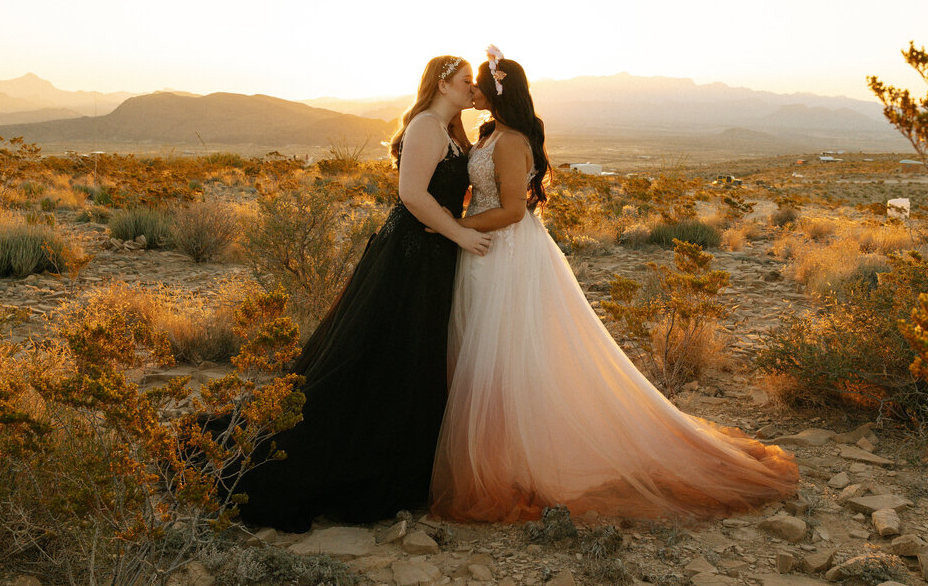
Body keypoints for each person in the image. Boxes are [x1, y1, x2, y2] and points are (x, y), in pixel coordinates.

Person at [429, 47, 798, 523]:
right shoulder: (488, 134)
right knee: (490, 353)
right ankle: (502, 449)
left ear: (497, 90)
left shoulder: (512, 140)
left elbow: (515, 211)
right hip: (484, 252)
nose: (473, 91)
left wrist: (455, 225)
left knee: (514, 353)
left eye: (478, 84)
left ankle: (529, 458)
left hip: (506, 253)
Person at [233, 55, 491, 532]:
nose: (471, 89)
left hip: (436, 258)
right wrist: (460, 235)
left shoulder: (454, 132)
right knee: (382, 352)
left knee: (418, 357)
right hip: (410, 257)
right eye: (465, 81)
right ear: (442, 83)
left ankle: (407, 465)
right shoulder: (425, 128)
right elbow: (412, 195)